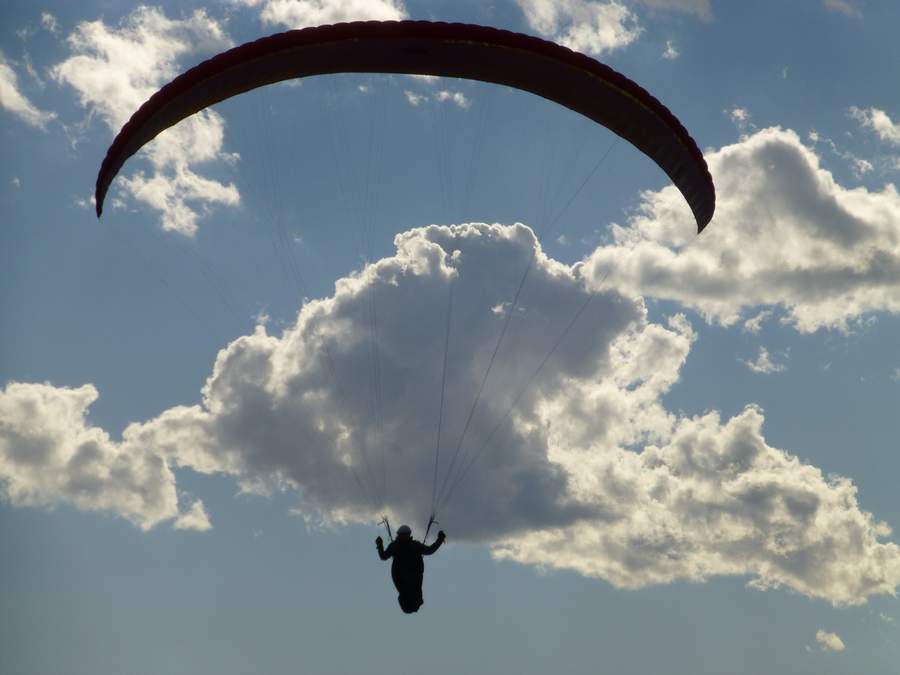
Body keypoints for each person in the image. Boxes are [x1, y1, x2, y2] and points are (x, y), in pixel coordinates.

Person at [376, 525, 446, 613]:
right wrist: (379, 544)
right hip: (405, 579)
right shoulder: (404, 546)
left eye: (404, 535)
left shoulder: (402, 546)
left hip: (408, 579)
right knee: (410, 596)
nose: (403, 537)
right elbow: (430, 550)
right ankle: (412, 604)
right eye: (402, 535)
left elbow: (430, 550)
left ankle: (413, 604)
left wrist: (440, 539)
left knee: (411, 597)